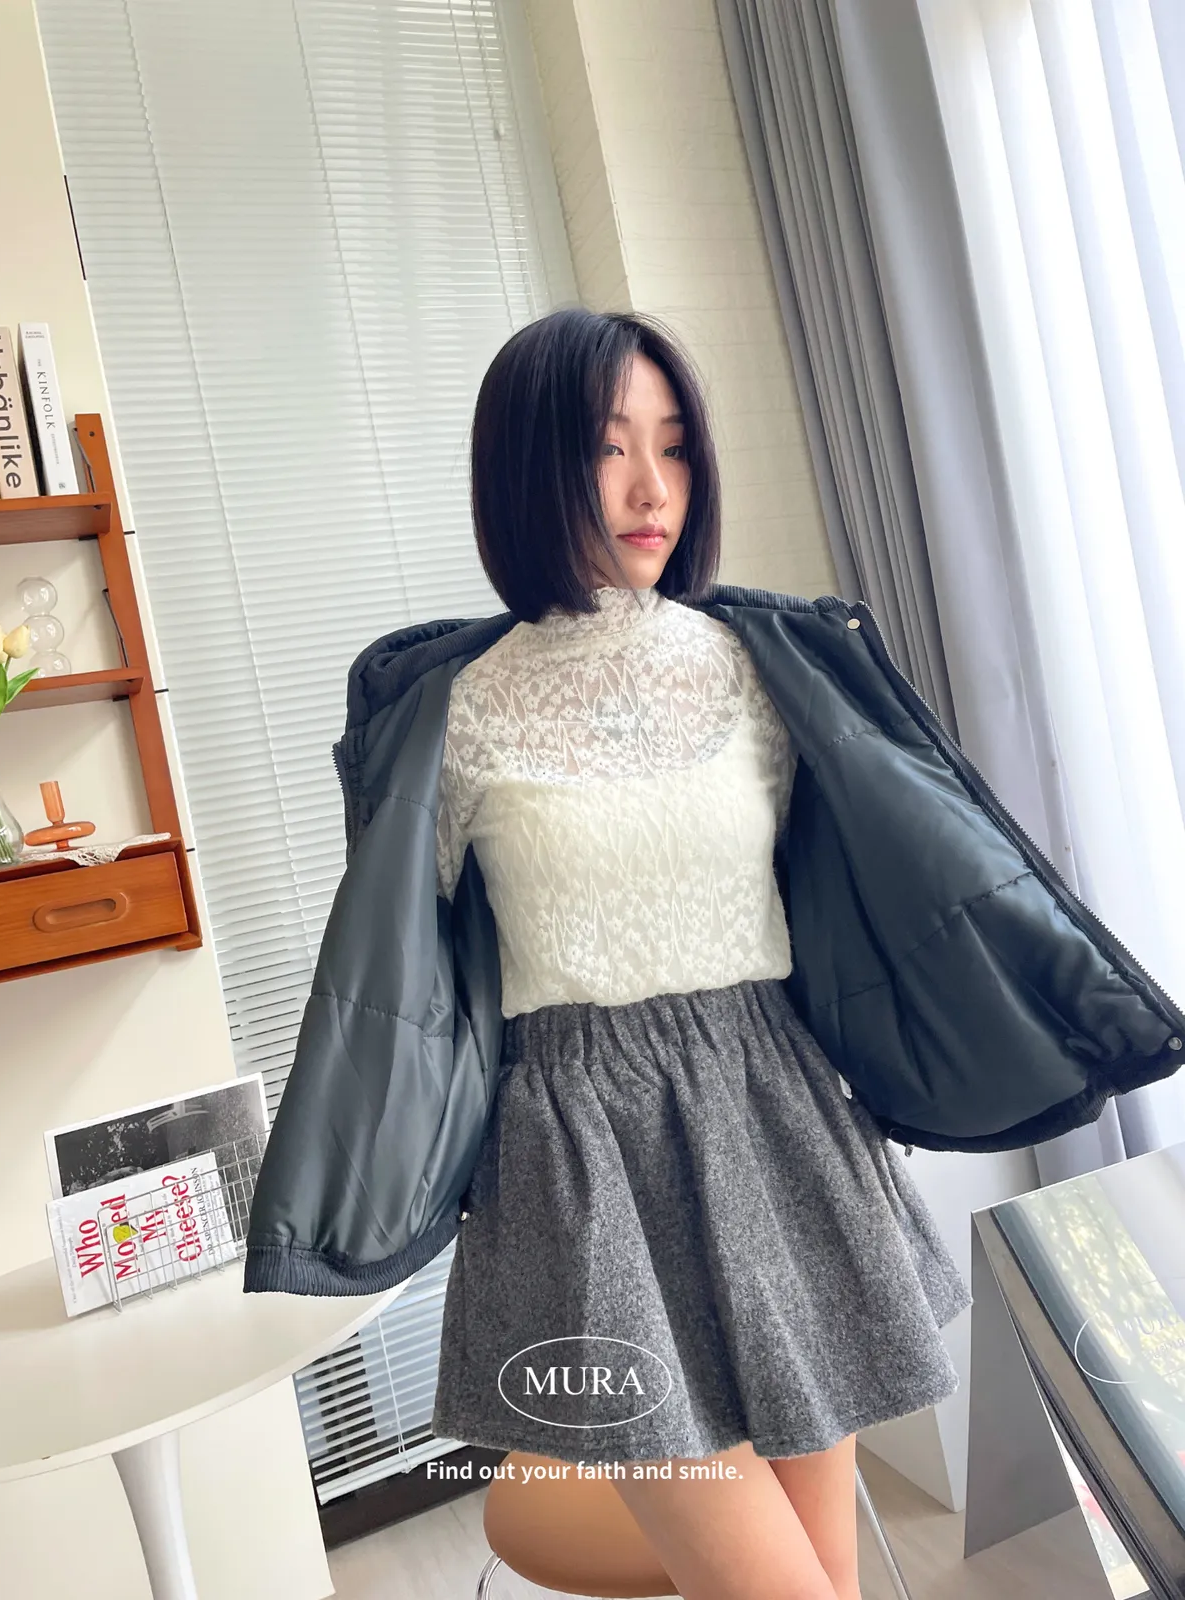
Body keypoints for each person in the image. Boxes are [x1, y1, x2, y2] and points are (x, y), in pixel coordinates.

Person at [244, 306, 1185, 1600]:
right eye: (608, 447)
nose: (653, 488)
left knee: (825, 1577)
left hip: (776, 1117)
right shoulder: (454, 717)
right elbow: (401, 983)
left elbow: (888, 869)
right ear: (527, 466)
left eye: (675, 445)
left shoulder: (759, 666)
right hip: (580, 1159)